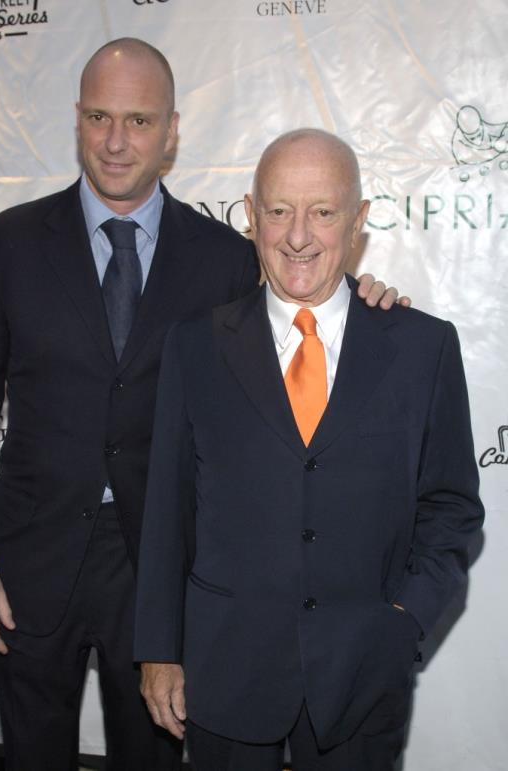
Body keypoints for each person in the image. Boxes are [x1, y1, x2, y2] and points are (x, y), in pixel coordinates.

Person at [0, 37, 404, 771]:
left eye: (141, 121)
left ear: (173, 131)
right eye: (100, 117)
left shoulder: (226, 256)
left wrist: (369, 305)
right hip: (28, 563)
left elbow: (301, 324)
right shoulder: (6, 245)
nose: (118, 142)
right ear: (78, 119)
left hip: (166, 568)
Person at [134, 128, 484, 771]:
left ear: (359, 221)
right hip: (223, 672)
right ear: (249, 216)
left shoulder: (420, 347)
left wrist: (403, 621)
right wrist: (158, 649)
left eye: (322, 211)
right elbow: (167, 511)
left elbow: (451, 507)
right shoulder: (195, 346)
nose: (298, 236)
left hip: (360, 679)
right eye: (278, 211)